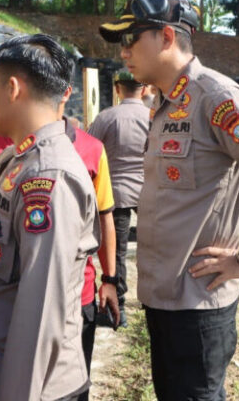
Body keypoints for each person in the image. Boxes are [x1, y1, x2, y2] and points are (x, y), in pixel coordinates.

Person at [99, 0, 239, 400]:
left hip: (198, 305)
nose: (124, 53)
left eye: (131, 39)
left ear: (167, 38)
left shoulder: (215, 97)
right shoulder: (167, 103)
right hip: (165, 296)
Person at [0, 92, 120, 401]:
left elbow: (43, 308)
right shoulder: (13, 155)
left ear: (11, 88)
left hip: (35, 368)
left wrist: (110, 279)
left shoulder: (57, 170)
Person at [87, 69, 150, 327]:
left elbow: (88, 149)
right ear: (144, 89)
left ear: (117, 89)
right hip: (148, 192)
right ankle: (151, 301)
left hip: (117, 193)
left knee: (119, 251)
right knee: (152, 247)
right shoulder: (153, 118)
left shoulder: (106, 117)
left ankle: (119, 308)